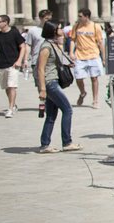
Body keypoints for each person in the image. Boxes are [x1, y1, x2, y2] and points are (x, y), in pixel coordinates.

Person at [35, 21, 82, 154]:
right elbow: (40, 69)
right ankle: (67, 142)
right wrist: (42, 89)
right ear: (53, 31)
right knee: (67, 109)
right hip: (50, 83)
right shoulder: (46, 47)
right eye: (59, 28)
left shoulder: (53, 44)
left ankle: (45, 145)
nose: (61, 30)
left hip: (53, 81)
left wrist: (67, 65)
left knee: (51, 115)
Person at [0, 14, 28, 118]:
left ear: (5, 22)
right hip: (1, 64)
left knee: (12, 86)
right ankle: (13, 104)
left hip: (13, 64)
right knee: (6, 87)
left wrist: (20, 60)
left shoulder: (14, 33)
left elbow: (23, 46)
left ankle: (10, 108)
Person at [67, 9, 104, 107]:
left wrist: (104, 57)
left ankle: (95, 100)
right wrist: (71, 52)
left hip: (93, 55)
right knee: (78, 78)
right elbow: (72, 40)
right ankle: (83, 92)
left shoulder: (96, 27)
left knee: (94, 78)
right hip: (80, 55)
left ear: (86, 16)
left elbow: (100, 42)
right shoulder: (76, 26)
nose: (78, 18)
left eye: (80, 16)